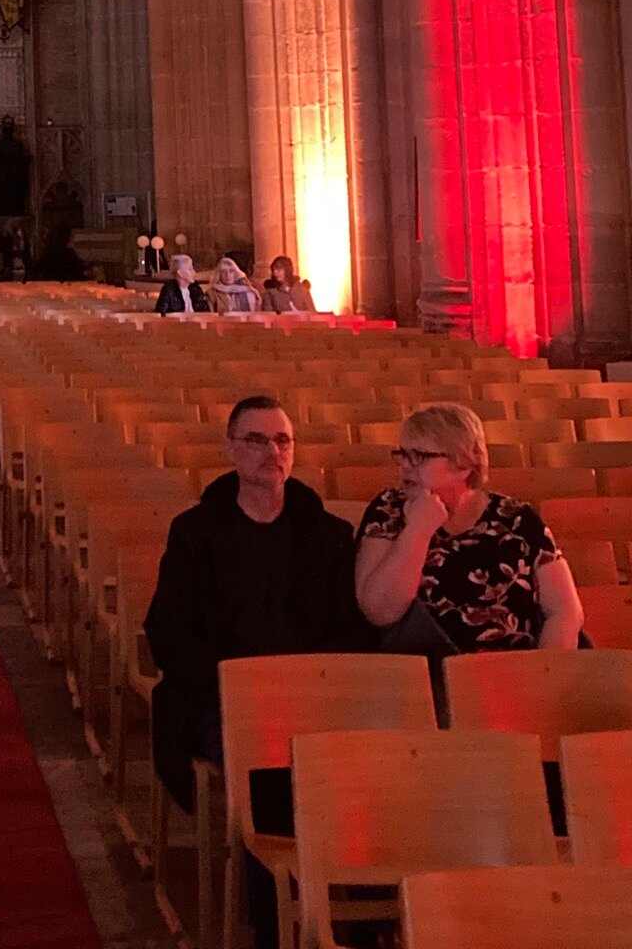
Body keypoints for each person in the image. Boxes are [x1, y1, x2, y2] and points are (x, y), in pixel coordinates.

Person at [145, 397, 368, 945]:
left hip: (312, 697)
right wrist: (243, 687)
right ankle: (275, 925)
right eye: (257, 440)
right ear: (230, 450)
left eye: (283, 441)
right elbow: (169, 633)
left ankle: (362, 916)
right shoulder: (196, 533)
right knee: (268, 770)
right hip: (224, 697)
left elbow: (355, 632)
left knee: (373, 768)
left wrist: (307, 685)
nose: (273, 452)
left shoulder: (330, 535)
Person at [355, 402, 583, 655]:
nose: (405, 466)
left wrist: (545, 672)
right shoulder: (389, 510)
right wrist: (418, 529)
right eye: (402, 455)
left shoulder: (517, 518)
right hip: (425, 676)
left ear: (464, 464)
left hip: (517, 674)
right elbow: (380, 612)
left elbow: (564, 611)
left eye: (419, 456)